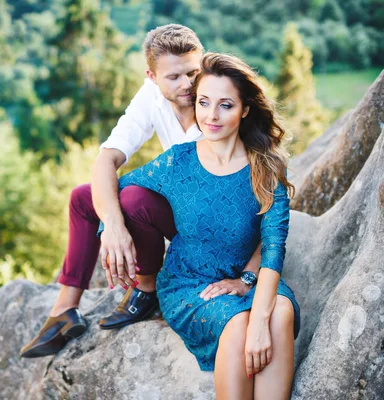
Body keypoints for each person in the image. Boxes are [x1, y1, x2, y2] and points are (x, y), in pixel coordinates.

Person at [20, 25, 262, 359]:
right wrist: (113, 228)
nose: (187, 85)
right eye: (173, 77)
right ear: (152, 76)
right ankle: (64, 309)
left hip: (215, 228)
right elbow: (108, 157)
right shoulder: (151, 97)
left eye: (193, 72)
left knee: (134, 201)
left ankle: (147, 289)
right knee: (82, 198)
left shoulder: (217, 106)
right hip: (183, 205)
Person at [101, 52, 301, 399]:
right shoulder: (178, 161)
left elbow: (273, 248)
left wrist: (247, 287)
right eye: (204, 102)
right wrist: (113, 231)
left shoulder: (266, 169)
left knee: (279, 312)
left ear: (245, 110)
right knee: (238, 324)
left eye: (225, 105)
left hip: (247, 277)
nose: (211, 115)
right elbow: (118, 189)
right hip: (190, 283)